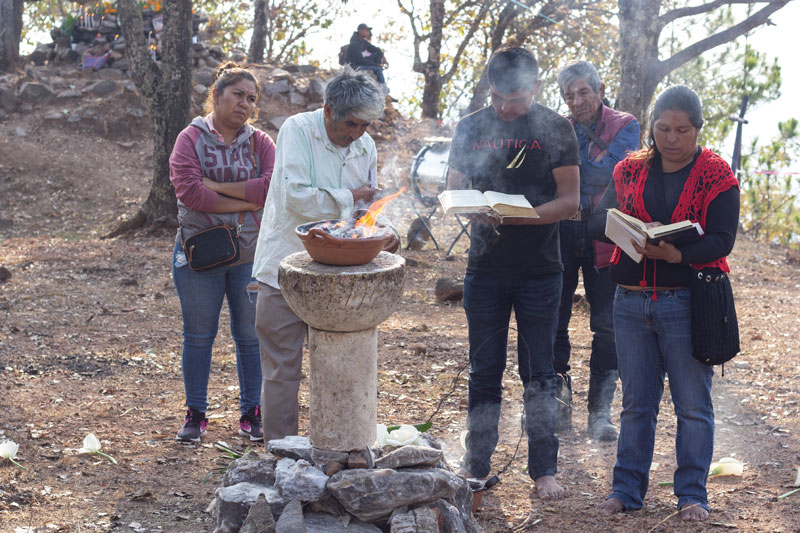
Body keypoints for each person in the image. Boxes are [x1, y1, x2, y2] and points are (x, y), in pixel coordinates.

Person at [588, 85, 739, 521]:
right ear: (651, 127)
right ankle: (626, 491)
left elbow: (723, 238)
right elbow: (600, 221)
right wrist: (628, 229)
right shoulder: (630, 169)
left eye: (682, 130)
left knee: (693, 404)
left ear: (698, 130)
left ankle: (692, 494)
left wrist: (676, 252)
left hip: (686, 301)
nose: (671, 139)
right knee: (637, 403)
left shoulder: (716, 173)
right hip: (630, 302)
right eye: (662, 129)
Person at [446, 47, 580, 500]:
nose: (507, 108)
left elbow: (570, 201)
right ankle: (476, 464)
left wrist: (523, 216)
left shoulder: (557, 129)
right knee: (484, 370)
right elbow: (453, 189)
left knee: (540, 372)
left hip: (541, 270)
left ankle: (544, 470)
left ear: (537, 88)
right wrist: (473, 209)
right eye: (500, 98)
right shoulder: (471, 126)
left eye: (517, 98)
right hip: (484, 268)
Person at [252, 66, 397, 443]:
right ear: (329, 110)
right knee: (282, 371)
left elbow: (368, 207)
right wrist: (352, 198)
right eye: (352, 124)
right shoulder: (298, 130)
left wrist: (381, 231)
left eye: (366, 126)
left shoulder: (364, 145)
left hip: (341, 278)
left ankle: (339, 451)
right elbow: (295, 197)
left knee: (342, 367)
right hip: (286, 267)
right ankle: (282, 455)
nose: (358, 134)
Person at [169, 62, 276, 443]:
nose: (244, 104)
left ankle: (252, 413)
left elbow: (269, 191)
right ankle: (195, 415)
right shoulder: (190, 139)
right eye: (237, 95)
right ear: (216, 95)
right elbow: (191, 194)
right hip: (200, 256)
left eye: (251, 98)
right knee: (198, 336)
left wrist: (216, 186)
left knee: (249, 335)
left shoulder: (261, 143)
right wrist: (244, 202)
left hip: (249, 255)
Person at [553, 60, 640, 441]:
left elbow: (612, 173)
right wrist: (584, 169)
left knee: (607, 325)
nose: (577, 100)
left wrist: (572, 170)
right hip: (561, 231)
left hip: (605, 233)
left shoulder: (626, 125)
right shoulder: (558, 128)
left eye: (583, 92)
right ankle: (556, 405)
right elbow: (556, 174)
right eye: (569, 95)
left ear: (600, 90)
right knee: (553, 319)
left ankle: (600, 413)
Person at [346, 23, 389, 88]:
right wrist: (376, 65)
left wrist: (384, 59)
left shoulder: (363, 41)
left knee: (377, 54)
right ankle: (383, 87)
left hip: (361, 62)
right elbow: (360, 60)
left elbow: (376, 49)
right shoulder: (354, 44)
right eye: (367, 30)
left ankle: (376, 75)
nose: (368, 32)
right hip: (355, 66)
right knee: (378, 69)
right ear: (360, 31)